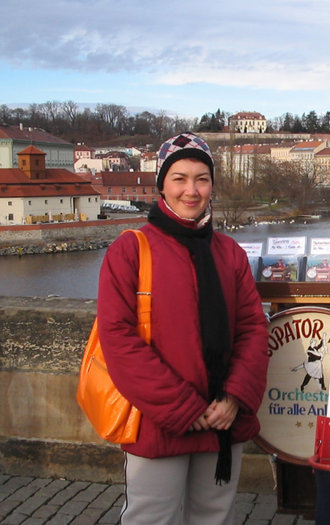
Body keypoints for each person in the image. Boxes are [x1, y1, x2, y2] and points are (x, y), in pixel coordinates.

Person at [97, 132, 269, 525]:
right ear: (162, 185)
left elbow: (253, 330)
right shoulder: (130, 250)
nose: (191, 191)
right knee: (151, 518)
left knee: (214, 518)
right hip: (159, 421)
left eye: (201, 179)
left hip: (223, 418)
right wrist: (183, 408)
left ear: (212, 185)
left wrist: (234, 398)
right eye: (179, 178)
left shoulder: (229, 253)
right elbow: (118, 339)